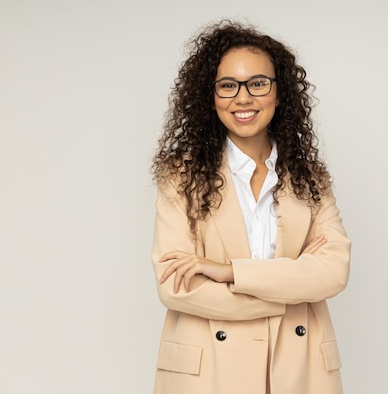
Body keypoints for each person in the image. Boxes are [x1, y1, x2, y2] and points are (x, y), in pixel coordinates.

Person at [150, 20, 351, 394]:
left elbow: (333, 271)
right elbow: (176, 287)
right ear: (210, 97)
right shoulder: (180, 177)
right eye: (228, 86)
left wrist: (227, 272)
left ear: (280, 93)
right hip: (209, 372)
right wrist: (288, 295)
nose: (243, 98)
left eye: (258, 83)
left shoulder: (311, 179)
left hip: (298, 366)